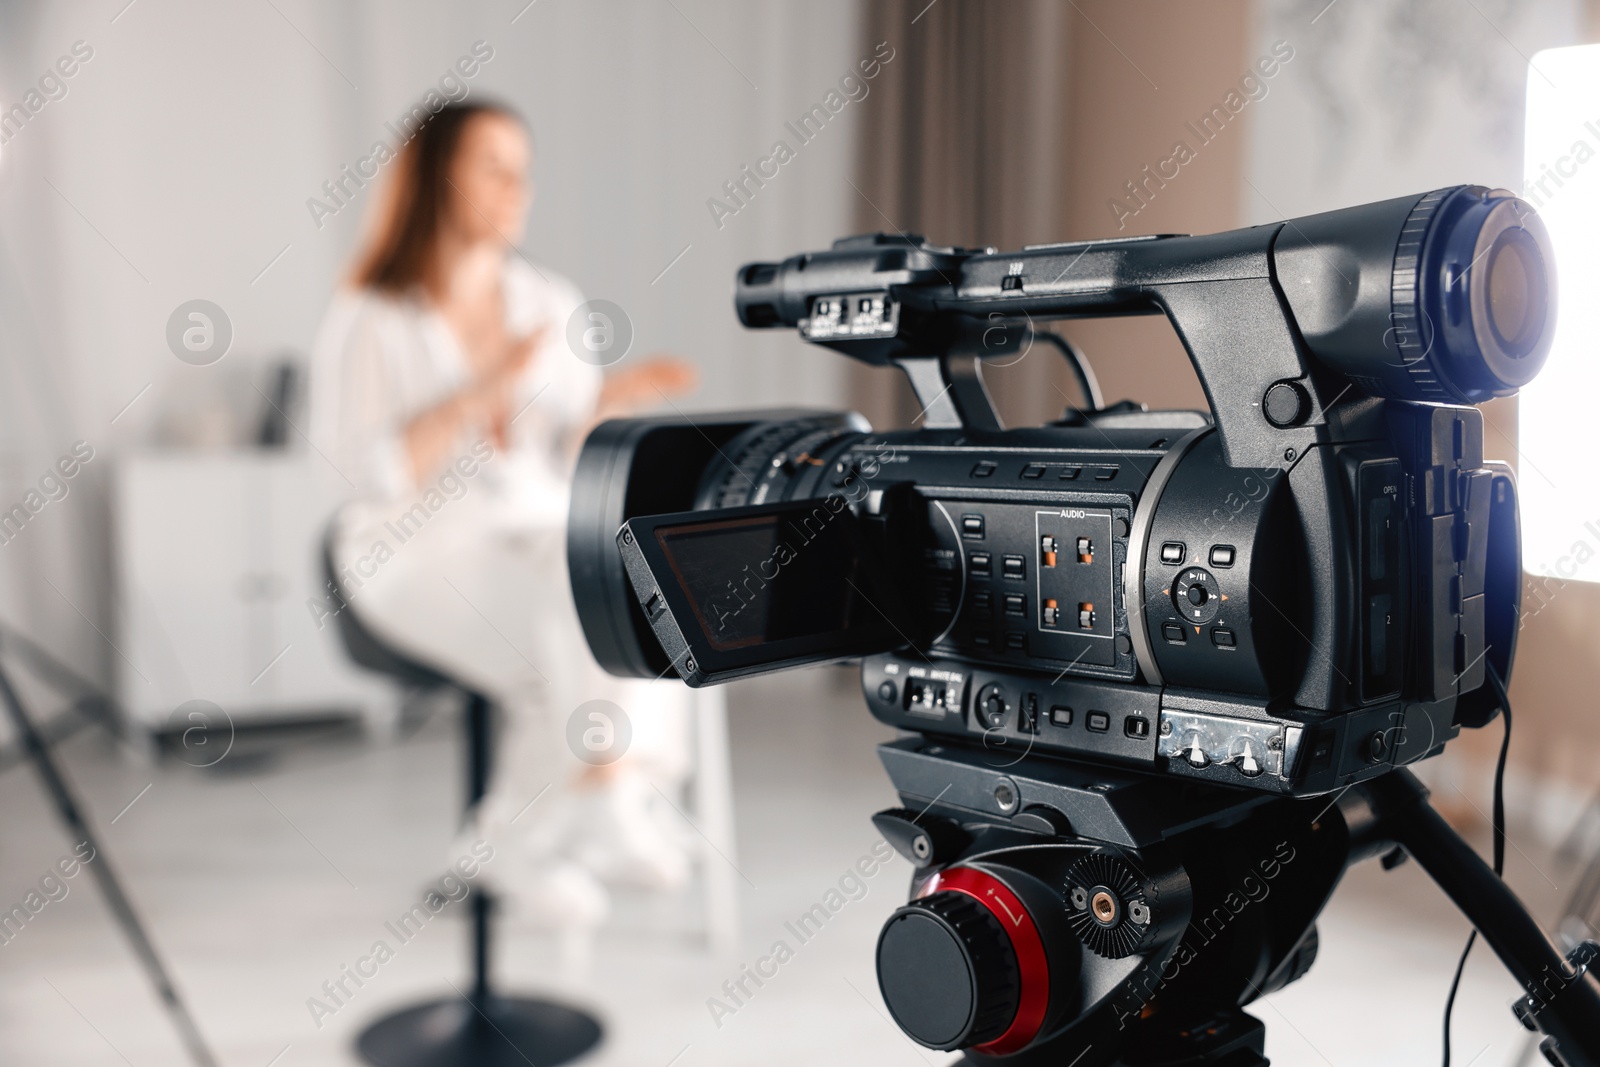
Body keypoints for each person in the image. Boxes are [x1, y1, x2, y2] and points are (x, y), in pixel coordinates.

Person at [308, 101, 697, 934]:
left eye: (523, 165)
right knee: (573, 612)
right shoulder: (371, 314)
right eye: (494, 164)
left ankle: (536, 826)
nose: (519, 185)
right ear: (438, 173)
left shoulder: (549, 301)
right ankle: (600, 795)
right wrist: (478, 392)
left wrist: (607, 409)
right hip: (403, 545)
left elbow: (559, 453)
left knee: (611, 591)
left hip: (529, 531)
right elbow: (359, 474)